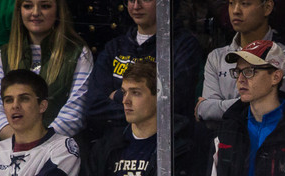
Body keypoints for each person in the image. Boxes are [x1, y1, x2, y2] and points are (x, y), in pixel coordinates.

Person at [204, 39, 285, 176]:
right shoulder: (228, 128)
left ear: (276, 76)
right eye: (238, 72)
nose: (241, 79)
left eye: (250, 71)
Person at [84, 0, 203, 134]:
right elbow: (93, 107)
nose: (136, 6)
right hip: (114, 141)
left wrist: (118, 95)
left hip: (162, 141)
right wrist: (144, 109)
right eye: (131, 0)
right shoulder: (114, 47)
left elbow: (172, 101)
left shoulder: (183, 46)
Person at [0, 0, 92, 141]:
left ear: (58, 11)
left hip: (59, 147)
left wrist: (38, 144)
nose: (35, 13)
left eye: (45, 6)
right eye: (28, 6)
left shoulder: (79, 53)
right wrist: (19, 142)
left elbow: (75, 114)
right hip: (11, 146)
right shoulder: (4, 55)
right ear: (19, 11)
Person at [194, 0, 285, 125]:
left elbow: (265, 107)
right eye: (231, 3)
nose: (235, 10)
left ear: (267, 7)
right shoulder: (216, 57)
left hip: (268, 135)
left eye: (245, 3)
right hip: (222, 136)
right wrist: (207, 108)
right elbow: (206, 112)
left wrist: (213, 107)